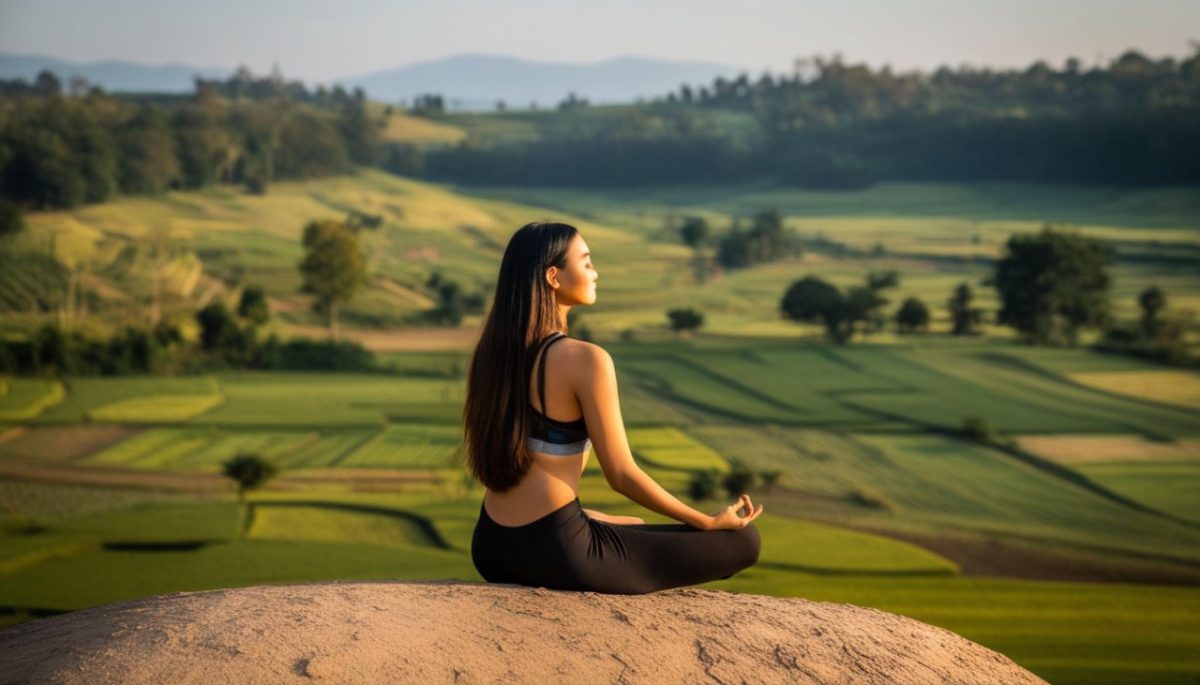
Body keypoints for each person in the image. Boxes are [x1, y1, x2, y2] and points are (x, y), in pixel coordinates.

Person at [464, 220, 762, 594]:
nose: (595, 272)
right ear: (554, 277)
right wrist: (703, 520)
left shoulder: (493, 356)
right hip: (555, 551)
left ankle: (587, 520)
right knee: (744, 542)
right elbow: (621, 474)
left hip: (492, 546)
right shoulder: (585, 359)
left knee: (631, 523)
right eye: (586, 262)